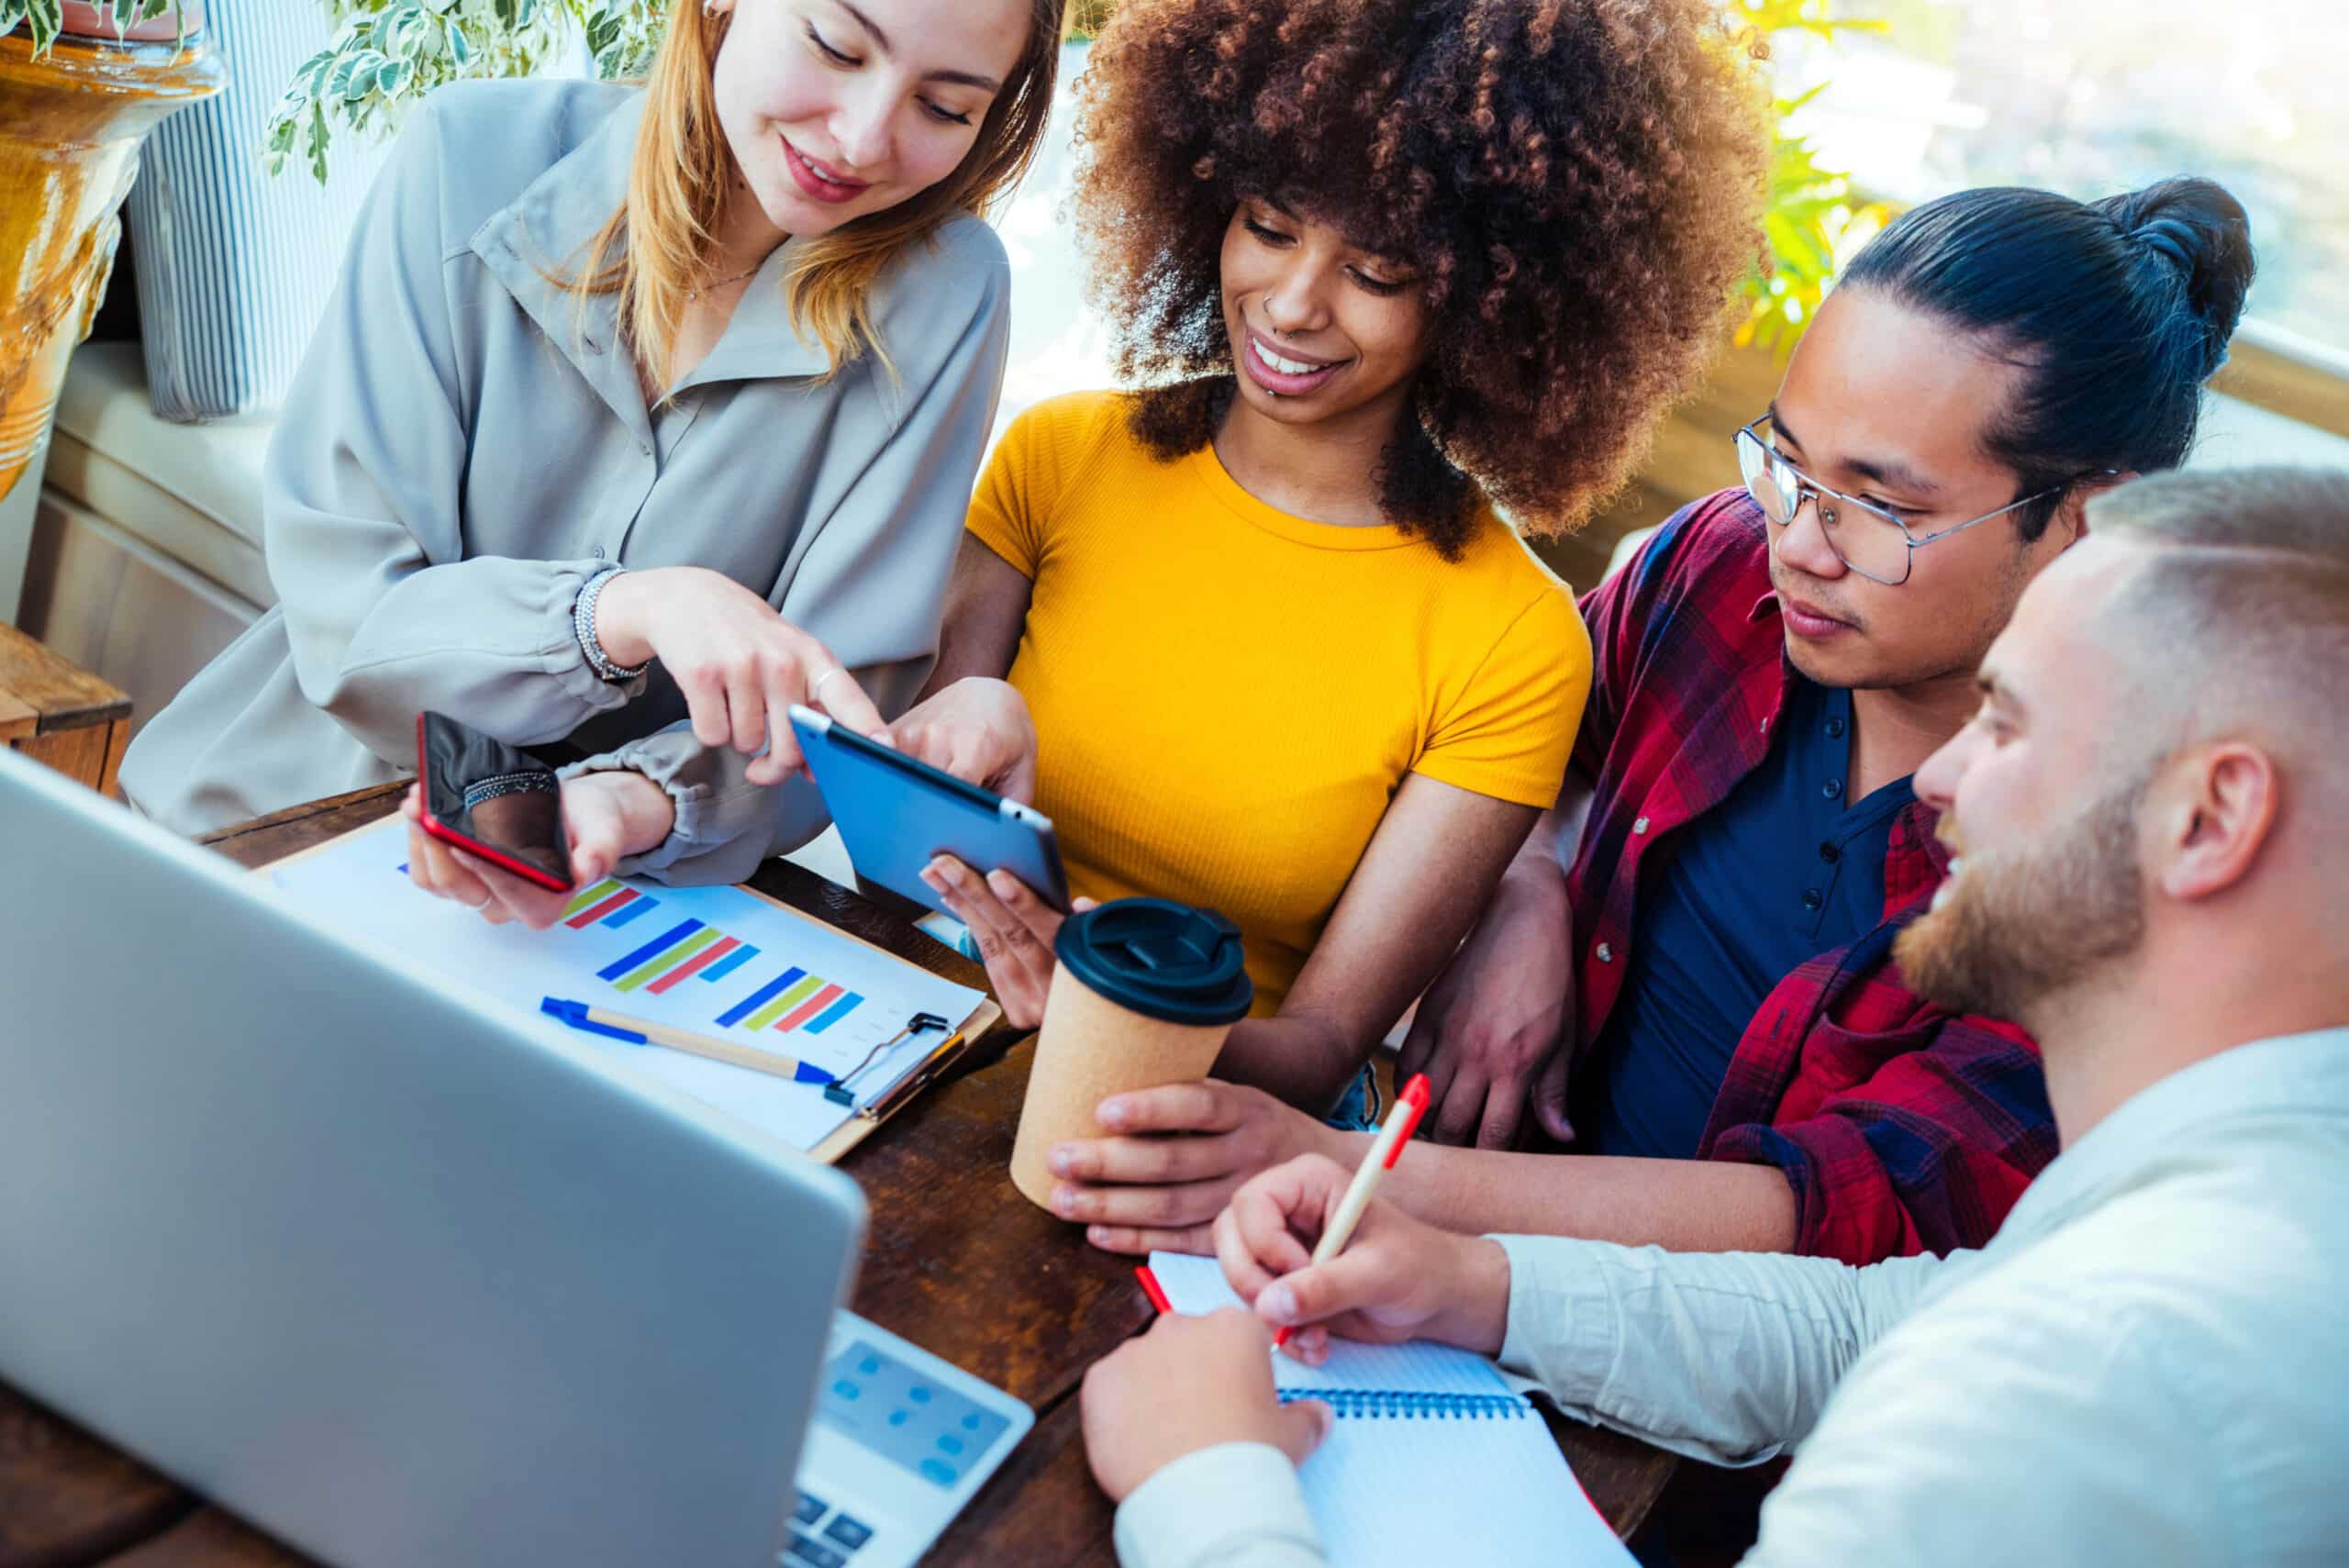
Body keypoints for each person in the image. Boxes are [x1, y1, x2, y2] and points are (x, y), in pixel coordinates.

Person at [1081, 464, 2349, 1568]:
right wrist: (1474, 1286)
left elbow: (1972, 1347)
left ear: (2210, 819)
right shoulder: (2264, 1187)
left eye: (2006, 725)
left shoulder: (2082, 1388)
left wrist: (1207, 1485)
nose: (1946, 777)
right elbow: (1882, 1317)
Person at [1042, 176, 2258, 1252]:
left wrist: (1356, 1174)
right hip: (1418, 1254)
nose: (1799, 541)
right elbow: (1524, 740)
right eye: (1786, 464)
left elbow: (1849, 1216)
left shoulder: (2134, 867)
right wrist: (1522, 894)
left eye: (1878, 509)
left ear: (2093, 518)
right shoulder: (1719, 570)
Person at [880, 0, 1772, 1118]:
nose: (1293, 303)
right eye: (1269, 222)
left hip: (1192, 1129)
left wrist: (1091, 988)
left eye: (1380, 272)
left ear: (1490, 299)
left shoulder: (1510, 639)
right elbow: (902, 826)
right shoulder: (1059, 457)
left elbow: (1313, 1051)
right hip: (903, 1034)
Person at [122, 0, 1067, 904]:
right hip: (263, 834)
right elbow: (348, 626)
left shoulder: (951, 295)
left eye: (945, 106)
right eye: (834, 44)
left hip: (600, 914)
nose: (863, 138)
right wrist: (617, 611)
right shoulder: (466, 158)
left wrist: (634, 799)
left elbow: (831, 716)